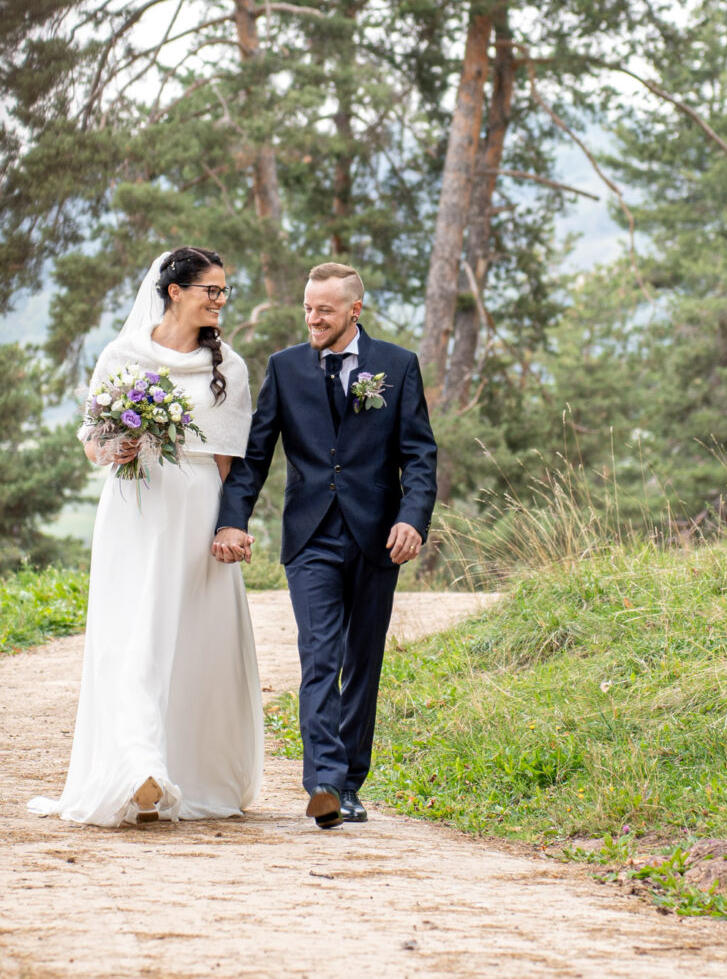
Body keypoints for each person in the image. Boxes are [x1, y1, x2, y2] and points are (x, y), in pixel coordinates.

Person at [31, 249, 263, 826]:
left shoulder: (228, 367)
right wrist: (118, 448)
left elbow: (229, 462)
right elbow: (92, 441)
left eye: (224, 292)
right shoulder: (121, 355)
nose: (219, 301)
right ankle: (138, 768)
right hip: (134, 508)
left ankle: (190, 768)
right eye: (211, 290)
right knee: (133, 634)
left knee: (192, 640)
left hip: (195, 510)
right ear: (175, 291)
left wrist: (221, 521)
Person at [213, 264, 437, 828]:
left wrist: (412, 519)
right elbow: (255, 455)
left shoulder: (397, 366)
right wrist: (231, 519)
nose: (313, 318)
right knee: (320, 656)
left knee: (363, 661)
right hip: (310, 535)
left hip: (376, 538)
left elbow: (420, 456)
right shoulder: (284, 369)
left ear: (354, 311)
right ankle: (325, 783)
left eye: (325, 310)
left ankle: (351, 783)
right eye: (308, 308)